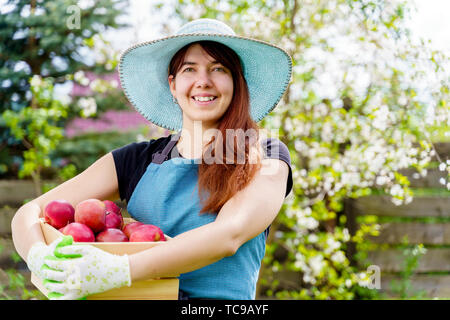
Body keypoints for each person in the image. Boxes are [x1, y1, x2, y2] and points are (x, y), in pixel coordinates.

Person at [11, 18, 293, 300]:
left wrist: (119, 270)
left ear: (236, 82)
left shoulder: (265, 155)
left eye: (218, 69)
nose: (203, 81)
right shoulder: (136, 160)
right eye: (189, 69)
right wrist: (38, 256)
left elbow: (228, 235)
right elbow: (29, 213)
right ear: (172, 84)